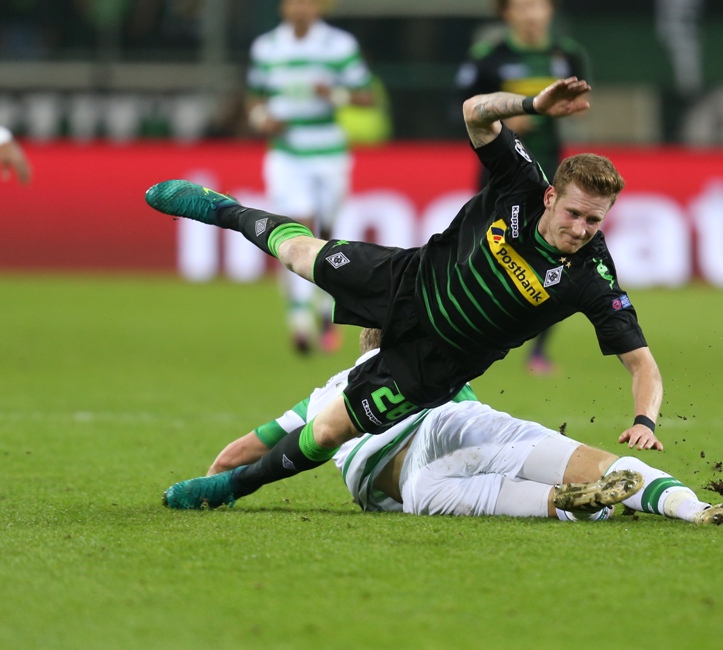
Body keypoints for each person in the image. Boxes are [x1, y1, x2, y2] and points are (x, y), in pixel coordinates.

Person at [145, 77, 664, 511]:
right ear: (550, 196)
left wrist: (644, 420)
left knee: (326, 434)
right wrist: (531, 105)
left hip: (432, 365)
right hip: (406, 281)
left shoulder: (592, 275)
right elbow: (475, 112)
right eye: (574, 213)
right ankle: (221, 208)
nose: (580, 229)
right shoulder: (521, 184)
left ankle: (233, 488)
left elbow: (641, 363)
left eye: (594, 221)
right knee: (299, 253)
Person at [167, 328, 723, 525]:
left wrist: (214, 481)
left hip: (412, 487)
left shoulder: (327, 395)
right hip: (454, 425)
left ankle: (566, 504)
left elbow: (241, 453)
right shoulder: (439, 362)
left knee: (515, 500)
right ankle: (691, 508)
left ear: (363, 346)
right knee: (586, 464)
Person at [456, 0, 590, 374]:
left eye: (538, 5)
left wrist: (572, 105)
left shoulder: (567, 54)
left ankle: (539, 351)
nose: (532, 13)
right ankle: (466, 336)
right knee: (482, 254)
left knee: (560, 256)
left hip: (551, 173)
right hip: (500, 173)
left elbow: (581, 99)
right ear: (507, 13)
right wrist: (507, 117)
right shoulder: (488, 57)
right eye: (523, 5)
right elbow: (460, 109)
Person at [247, 0, 375, 355]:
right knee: (297, 226)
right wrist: (260, 119)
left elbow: (367, 97)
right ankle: (300, 316)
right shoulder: (267, 47)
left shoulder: (339, 45)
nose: (299, 8)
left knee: (326, 232)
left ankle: (325, 304)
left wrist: (334, 94)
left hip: (328, 151)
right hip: (287, 153)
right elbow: (254, 98)